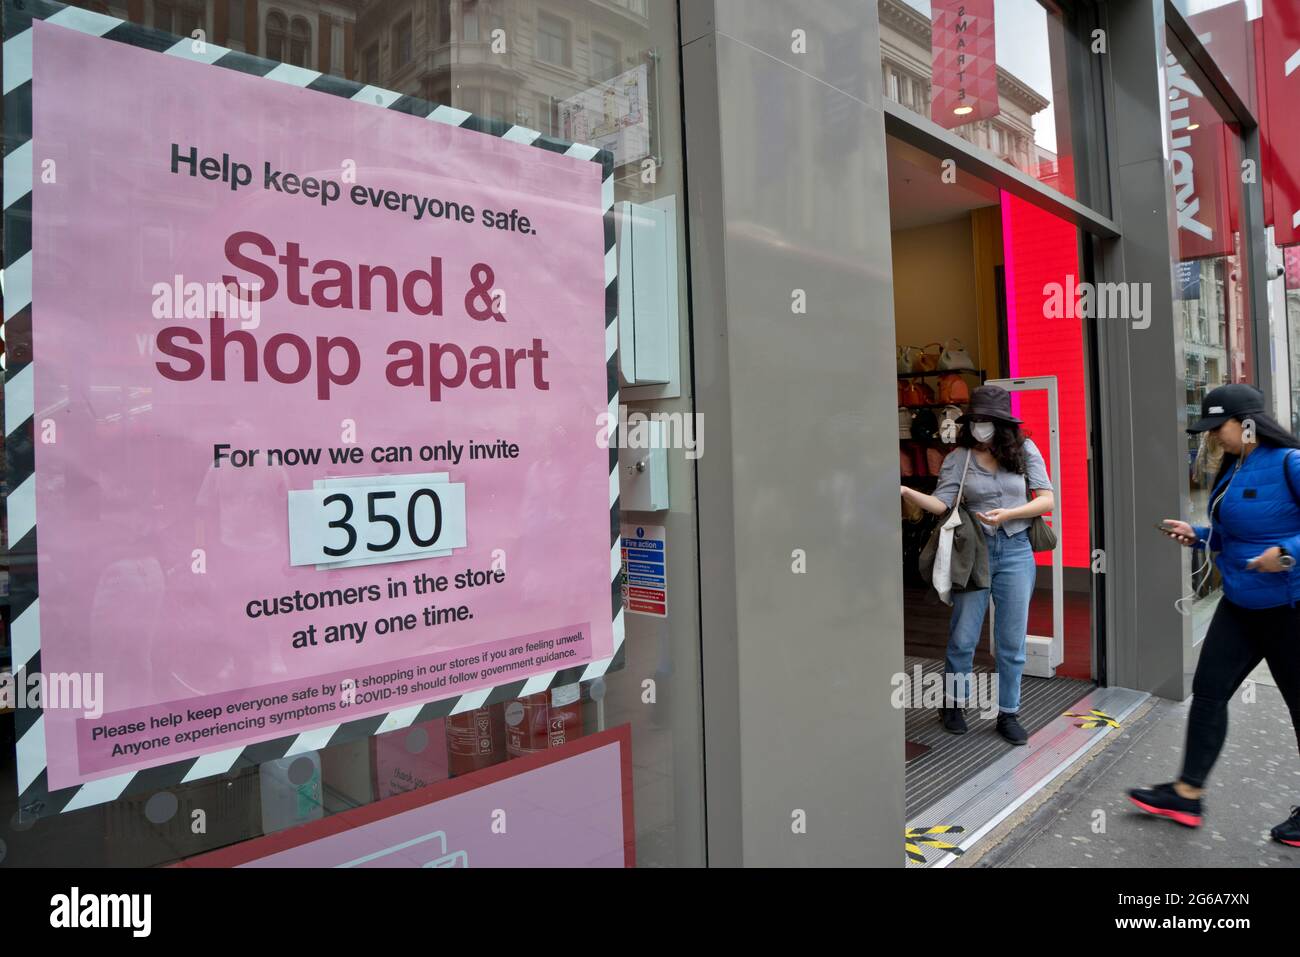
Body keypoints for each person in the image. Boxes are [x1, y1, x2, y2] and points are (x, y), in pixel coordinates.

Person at [1129, 383, 1300, 848]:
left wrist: (1285, 553)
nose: (1213, 438)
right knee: (1207, 694)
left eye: (1217, 427)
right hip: (1241, 605)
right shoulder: (1235, 465)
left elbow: (1283, 538)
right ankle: (1187, 792)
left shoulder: (1290, 462)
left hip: (1288, 608)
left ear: (1246, 423)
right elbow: (1235, 532)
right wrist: (1202, 535)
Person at [900, 385, 1054, 745]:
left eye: (988, 421)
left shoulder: (1025, 450)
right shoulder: (959, 457)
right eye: (976, 421)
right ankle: (953, 704)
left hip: (1016, 550)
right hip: (974, 554)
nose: (981, 427)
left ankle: (1008, 712)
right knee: (963, 635)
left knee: (1011, 640)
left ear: (1003, 424)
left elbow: (1047, 500)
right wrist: (907, 491)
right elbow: (942, 504)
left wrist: (1010, 514)